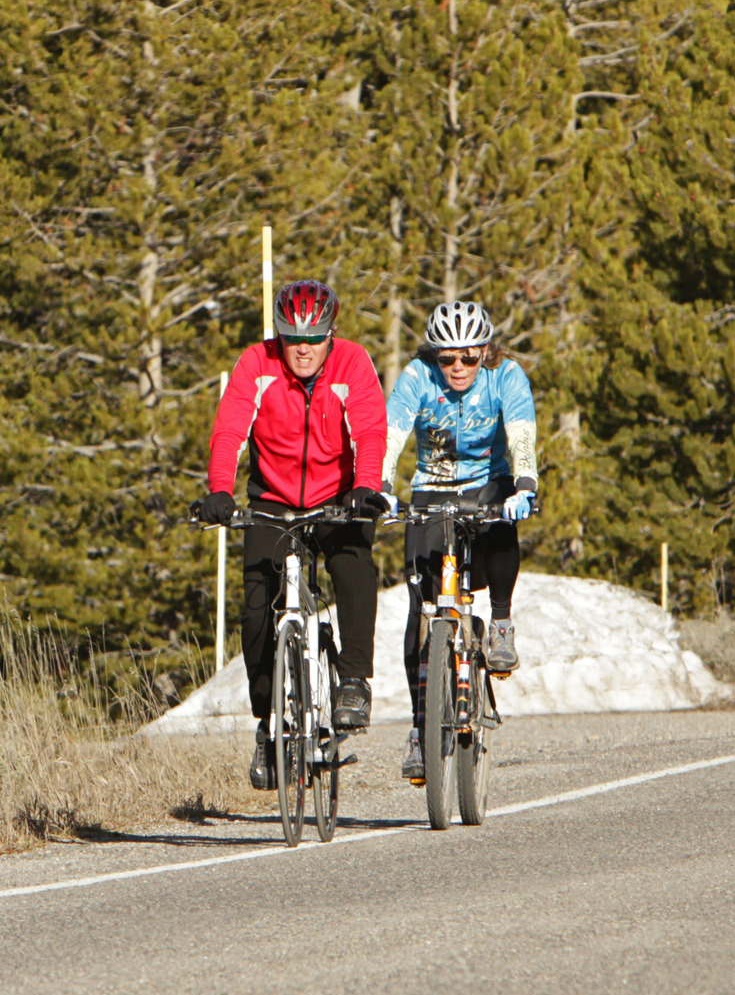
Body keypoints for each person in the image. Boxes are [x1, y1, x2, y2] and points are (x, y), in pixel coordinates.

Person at [194, 280, 389, 790]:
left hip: (338, 497)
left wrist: (366, 487)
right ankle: (268, 723)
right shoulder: (255, 364)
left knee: (353, 569)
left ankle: (352, 681)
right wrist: (220, 490)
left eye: (315, 337)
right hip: (273, 500)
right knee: (257, 609)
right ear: (278, 335)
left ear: (331, 333)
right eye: (291, 337)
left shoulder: (353, 363)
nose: (303, 348)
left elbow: (369, 429)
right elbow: (230, 429)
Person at [382, 300, 539, 784]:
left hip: (489, 482)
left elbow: (521, 434)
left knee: (500, 519)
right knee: (420, 606)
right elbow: (391, 434)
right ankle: (419, 727)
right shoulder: (417, 377)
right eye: (447, 358)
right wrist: (382, 486)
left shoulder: (506, 376)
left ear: (486, 352)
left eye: (469, 358)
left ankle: (502, 622)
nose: (457, 368)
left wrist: (526, 484)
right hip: (432, 485)